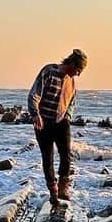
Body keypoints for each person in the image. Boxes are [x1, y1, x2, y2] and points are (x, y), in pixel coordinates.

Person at [28, 49, 88, 207]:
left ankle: (63, 188)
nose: (78, 74)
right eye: (78, 70)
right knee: (47, 158)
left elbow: (72, 102)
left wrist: (68, 116)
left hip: (61, 122)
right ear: (73, 64)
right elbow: (34, 93)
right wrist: (35, 114)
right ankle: (53, 192)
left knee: (66, 154)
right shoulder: (49, 71)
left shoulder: (71, 81)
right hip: (43, 121)